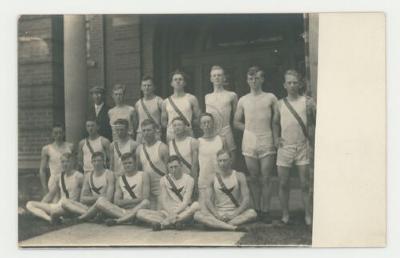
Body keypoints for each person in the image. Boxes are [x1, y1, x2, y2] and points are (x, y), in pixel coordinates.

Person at [234, 66, 279, 223]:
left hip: (266, 137)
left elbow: (276, 120)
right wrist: (249, 130)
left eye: (257, 78)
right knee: (253, 177)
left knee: (266, 177)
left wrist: (275, 137)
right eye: (251, 78)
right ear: (247, 80)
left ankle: (266, 210)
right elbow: (236, 121)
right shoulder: (243, 100)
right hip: (250, 139)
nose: (254, 81)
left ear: (262, 79)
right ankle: (257, 209)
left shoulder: (270, 97)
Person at [275, 69, 316, 226]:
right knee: (283, 183)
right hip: (285, 146)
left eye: (295, 82)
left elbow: (316, 121)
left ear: (299, 84)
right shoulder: (280, 104)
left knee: (304, 183)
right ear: (284, 85)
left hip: (302, 145)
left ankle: (307, 214)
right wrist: (276, 137)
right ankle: (285, 214)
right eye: (289, 83)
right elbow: (274, 122)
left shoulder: (307, 102)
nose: (292, 85)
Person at [194, 150, 257, 231]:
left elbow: (246, 199)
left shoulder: (239, 176)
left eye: (225, 160)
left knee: (252, 213)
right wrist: (217, 215)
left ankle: (216, 225)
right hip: (218, 213)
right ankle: (232, 227)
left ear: (230, 160)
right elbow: (208, 200)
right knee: (197, 215)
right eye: (220, 161)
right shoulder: (212, 178)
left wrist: (234, 215)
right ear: (217, 162)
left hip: (235, 213)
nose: (222, 163)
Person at [136, 156, 200, 231]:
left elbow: (185, 202)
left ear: (181, 166)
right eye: (171, 167)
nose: (174, 170)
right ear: (168, 168)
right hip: (168, 212)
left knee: (196, 205)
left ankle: (163, 224)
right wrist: (171, 213)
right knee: (140, 213)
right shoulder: (164, 179)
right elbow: (164, 200)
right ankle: (175, 223)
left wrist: (175, 213)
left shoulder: (189, 180)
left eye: (176, 167)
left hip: (183, 211)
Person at [26, 153, 83, 224]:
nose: (65, 164)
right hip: (59, 205)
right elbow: (51, 195)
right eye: (63, 162)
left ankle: (54, 217)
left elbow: (82, 196)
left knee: (58, 208)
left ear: (73, 162)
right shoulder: (59, 177)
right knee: (30, 204)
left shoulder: (79, 176)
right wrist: (41, 205)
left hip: (70, 207)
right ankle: (50, 219)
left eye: (67, 161)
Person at [62, 152, 115, 221]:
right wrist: (99, 197)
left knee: (101, 201)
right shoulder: (88, 175)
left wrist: (92, 199)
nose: (96, 163)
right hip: (90, 207)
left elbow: (108, 199)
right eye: (94, 161)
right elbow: (82, 199)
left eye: (99, 161)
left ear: (103, 162)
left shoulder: (109, 174)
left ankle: (81, 217)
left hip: (104, 206)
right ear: (91, 162)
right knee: (65, 202)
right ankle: (92, 215)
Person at [205, 65, 238, 160]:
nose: (217, 77)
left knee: (230, 158)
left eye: (219, 75)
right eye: (214, 76)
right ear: (211, 79)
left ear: (224, 78)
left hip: (226, 130)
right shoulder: (207, 97)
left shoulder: (232, 95)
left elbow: (236, 118)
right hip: (212, 132)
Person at [136, 119, 169, 209]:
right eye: (144, 130)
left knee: (159, 214)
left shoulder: (162, 147)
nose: (146, 133)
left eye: (149, 130)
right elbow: (138, 172)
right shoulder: (139, 149)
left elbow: (169, 172)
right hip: (147, 191)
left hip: (161, 190)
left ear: (155, 131)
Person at [161, 69, 201, 142]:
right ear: (171, 83)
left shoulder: (191, 98)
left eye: (180, 79)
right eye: (175, 79)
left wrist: (187, 125)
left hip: (187, 133)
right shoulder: (166, 102)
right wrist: (173, 127)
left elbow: (198, 118)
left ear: (184, 83)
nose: (178, 81)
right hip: (172, 135)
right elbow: (163, 122)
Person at [197, 113, 227, 208]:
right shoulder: (197, 142)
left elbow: (227, 160)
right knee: (203, 210)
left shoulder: (221, 139)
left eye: (209, 122)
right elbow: (195, 164)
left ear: (213, 124)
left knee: (220, 209)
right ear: (201, 126)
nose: (207, 125)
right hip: (204, 180)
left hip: (220, 180)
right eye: (204, 123)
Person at [38, 124, 74, 203]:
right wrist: (45, 189)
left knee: (68, 202)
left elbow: (74, 165)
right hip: (54, 179)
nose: (58, 135)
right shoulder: (47, 149)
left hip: (67, 178)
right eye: (55, 133)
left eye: (60, 132)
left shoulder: (70, 146)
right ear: (52, 134)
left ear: (64, 133)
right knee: (54, 203)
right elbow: (42, 170)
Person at [134, 76, 163, 143]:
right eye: (144, 85)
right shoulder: (138, 103)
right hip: (141, 134)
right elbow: (136, 121)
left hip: (155, 133)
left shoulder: (159, 101)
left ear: (153, 87)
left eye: (149, 85)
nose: (146, 87)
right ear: (141, 87)